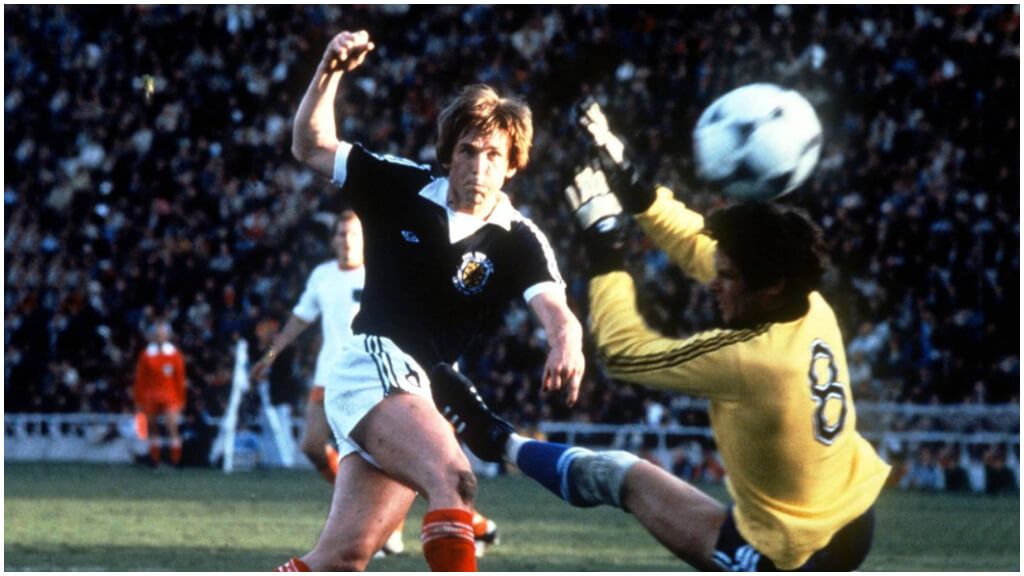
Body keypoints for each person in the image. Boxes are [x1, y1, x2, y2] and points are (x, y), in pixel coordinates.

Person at [429, 100, 891, 572]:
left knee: (617, 477)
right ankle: (498, 439)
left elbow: (624, 354)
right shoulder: (808, 304)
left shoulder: (752, 359)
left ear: (769, 288)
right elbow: (697, 245)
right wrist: (636, 189)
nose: (714, 281)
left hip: (789, 553)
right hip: (853, 512)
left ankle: (493, 439)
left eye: (728, 277)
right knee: (625, 474)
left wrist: (605, 252)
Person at [275, 30, 585, 572]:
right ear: (449, 153)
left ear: (513, 164)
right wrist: (329, 68)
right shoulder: (402, 185)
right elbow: (310, 146)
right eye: (468, 151)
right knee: (454, 479)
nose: (478, 167)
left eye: (494, 155)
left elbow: (555, 308)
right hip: (373, 365)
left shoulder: (519, 238)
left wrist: (565, 341)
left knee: (341, 557)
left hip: (420, 390)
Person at [250, 210, 499, 558]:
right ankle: (382, 520)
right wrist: (273, 353)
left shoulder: (380, 273)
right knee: (311, 445)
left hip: (381, 379)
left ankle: (411, 524)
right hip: (332, 377)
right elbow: (301, 317)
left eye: (353, 234)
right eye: (340, 234)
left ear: (366, 240)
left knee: (415, 469)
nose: (346, 240)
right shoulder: (322, 275)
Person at [133, 321, 187, 467]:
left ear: (168, 335)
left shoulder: (174, 354)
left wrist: (181, 400)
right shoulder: (146, 354)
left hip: (170, 396)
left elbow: (180, 379)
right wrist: (138, 400)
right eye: (157, 334)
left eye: (162, 334)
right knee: (152, 427)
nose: (159, 337)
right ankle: (154, 459)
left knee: (171, 426)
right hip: (150, 396)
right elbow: (140, 379)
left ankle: (176, 460)